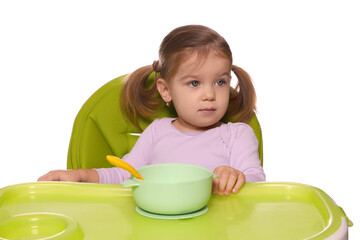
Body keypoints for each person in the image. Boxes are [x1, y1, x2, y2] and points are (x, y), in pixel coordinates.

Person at [38, 25, 265, 195]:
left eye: (220, 82)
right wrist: (78, 176)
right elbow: (125, 176)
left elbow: (257, 183)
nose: (210, 94)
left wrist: (239, 178)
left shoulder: (237, 134)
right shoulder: (157, 131)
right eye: (194, 83)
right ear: (165, 90)